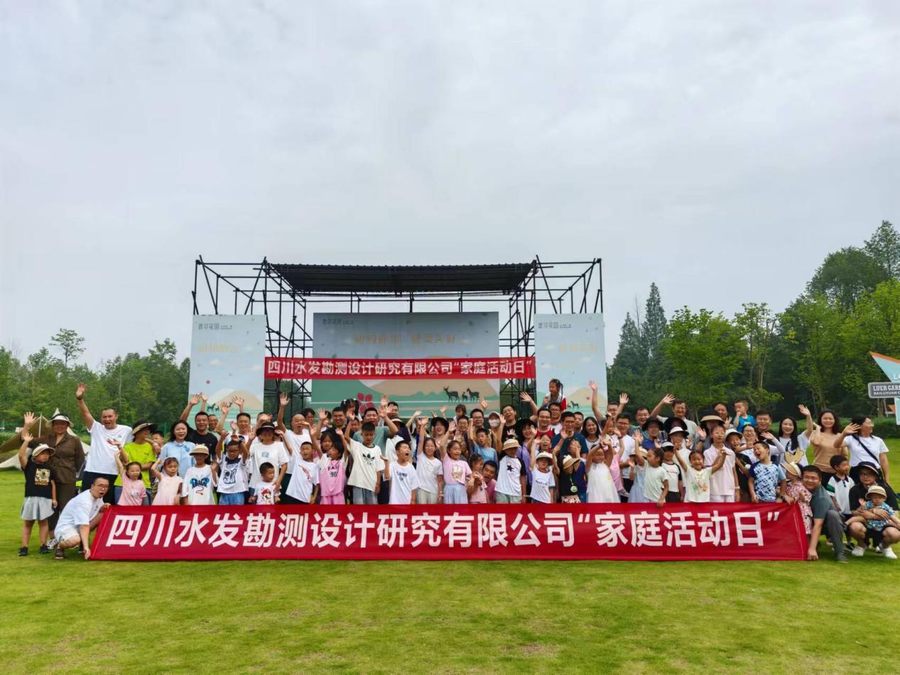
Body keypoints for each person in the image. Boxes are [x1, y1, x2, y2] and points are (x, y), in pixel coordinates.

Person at [22, 410, 83, 537]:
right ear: (53, 425)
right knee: (50, 509)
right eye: (57, 423)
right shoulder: (46, 438)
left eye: (63, 423)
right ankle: (52, 537)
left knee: (66, 508)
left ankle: (68, 535)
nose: (60, 426)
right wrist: (27, 425)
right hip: (46, 479)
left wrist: (76, 476)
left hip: (67, 479)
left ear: (67, 425)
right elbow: (25, 440)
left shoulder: (74, 440)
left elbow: (80, 461)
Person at [74, 383, 132, 504]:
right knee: (86, 502)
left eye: (110, 416)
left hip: (113, 472)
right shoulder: (96, 428)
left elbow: (132, 446)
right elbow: (86, 413)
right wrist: (80, 399)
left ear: (116, 416)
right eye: (104, 417)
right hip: (92, 470)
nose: (107, 419)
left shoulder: (127, 430)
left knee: (107, 505)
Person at [53, 475, 110, 561]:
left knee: (104, 512)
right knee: (74, 540)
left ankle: (96, 544)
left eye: (106, 486)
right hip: (66, 528)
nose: (103, 489)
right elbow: (84, 526)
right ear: (92, 486)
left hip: (80, 526)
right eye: (100, 485)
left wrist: (102, 508)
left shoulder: (98, 497)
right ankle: (59, 546)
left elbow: (95, 514)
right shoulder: (84, 501)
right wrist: (86, 548)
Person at [18, 434, 57, 556]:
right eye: (42, 453)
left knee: (43, 522)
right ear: (35, 454)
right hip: (31, 498)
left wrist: (54, 499)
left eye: (47, 454)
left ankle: (43, 545)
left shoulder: (50, 468)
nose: (45, 456)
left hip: (45, 499)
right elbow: (21, 455)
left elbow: (52, 484)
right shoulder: (29, 465)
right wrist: (26, 442)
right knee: (28, 523)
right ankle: (24, 547)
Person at [802, 465, 848, 562]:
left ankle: (840, 551)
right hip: (807, 521)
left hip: (826, 524)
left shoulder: (821, 498)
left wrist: (812, 549)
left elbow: (818, 524)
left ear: (820, 480)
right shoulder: (799, 489)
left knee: (832, 515)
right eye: (806, 477)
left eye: (813, 478)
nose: (809, 480)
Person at [846, 485, 899, 559]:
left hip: (881, 525)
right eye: (874, 497)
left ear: (884, 499)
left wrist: (897, 522)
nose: (877, 500)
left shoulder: (886, 507)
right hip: (867, 523)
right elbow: (859, 512)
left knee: (895, 531)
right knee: (858, 520)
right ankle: (860, 544)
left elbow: (892, 516)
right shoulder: (868, 504)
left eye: (880, 498)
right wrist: (863, 506)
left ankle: (885, 546)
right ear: (870, 498)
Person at [342, 416, 386, 505]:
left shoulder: (377, 449)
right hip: (358, 483)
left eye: (371, 435)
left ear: (374, 434)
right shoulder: (356, 446)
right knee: (359, 508)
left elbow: (378, 468)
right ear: (361, 434)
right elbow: (346, 437)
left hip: (372, 484)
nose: (369, 437)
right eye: (366, 435)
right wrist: (350, 421)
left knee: (372, 508)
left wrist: (378, 484)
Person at [835, 416, 890, 483]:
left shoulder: (878, 440)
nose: (872, 425)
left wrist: (886, 478)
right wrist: (844, 434)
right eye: (869, 423)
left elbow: (883, 460)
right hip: (857, 473)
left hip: (874, 472)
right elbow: (836, 445)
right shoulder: (850, 439)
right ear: (859, 426)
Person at [802, 406, 845, 484]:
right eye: (825, 418)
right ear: (820, 420)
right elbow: (817, 442)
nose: (828, 420)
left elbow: (844, 455)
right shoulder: (815, 433)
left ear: (835, 420)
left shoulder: (840, 436)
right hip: (820, 471)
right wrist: (818, 428)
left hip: (836, 471)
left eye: (830, 419)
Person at [115, 421, 155, 502]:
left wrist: (132, 468)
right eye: (144, 429)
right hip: (123, 484)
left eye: (148, 429)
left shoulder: (151, 447)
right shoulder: (127, 447)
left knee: (144, 509)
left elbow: (149, 465)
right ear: (136, 432)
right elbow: (125, 462)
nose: (147, 431)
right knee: (122, 509)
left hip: (144, 483)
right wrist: (137, 467)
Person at [705, 428, 739, 503]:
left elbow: (733, 471)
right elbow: (708, 471)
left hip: (730, 489)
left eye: (722, 433)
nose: (719, 435)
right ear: (711, 435)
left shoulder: (731, 452)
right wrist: (718, 457)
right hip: (715, 489)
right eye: (717, 433)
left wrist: (737, 488)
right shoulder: (707, 452)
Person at [215, 434, 250, 505]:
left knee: (237, 512)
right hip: (224, 491)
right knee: (223, 512)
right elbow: (217, 450)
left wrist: (240, 442)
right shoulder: (224, 460)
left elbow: (246, 453)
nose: (232, 453)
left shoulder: (241, 460)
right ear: (227, 450)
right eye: (230, 451)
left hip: (238, 492)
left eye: (235, 451)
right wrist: (221, 439)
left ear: (239, 451)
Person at [317, 431, 348, 505]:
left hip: (338, 494)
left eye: (334, 450)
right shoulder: (325, 461)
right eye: (331, 449)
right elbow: (317, 448)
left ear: (339, 454)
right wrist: (312, 436)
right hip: (325, 495)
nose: (330, 450)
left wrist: (341, 436)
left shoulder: (342, 463)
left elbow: (346, 450)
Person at [585, 436, 618, 503]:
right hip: (595, 493)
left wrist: (609, 445)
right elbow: (590, 454)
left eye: (602, 455)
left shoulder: (605, 465)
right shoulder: (589, 466)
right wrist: (599, 446)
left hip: (608, 492)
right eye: (597, 455)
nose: (600, 457)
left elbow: (611, 455)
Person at [385, 441, 419, 505]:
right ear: (397, 452)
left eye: (408, 448)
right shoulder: (392, 465)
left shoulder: (411, 468)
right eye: (405, 447)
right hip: (394, 503)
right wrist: (386, 463)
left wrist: (413, 500)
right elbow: (387, 477)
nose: (407, 450)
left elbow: (414, 486)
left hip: (407, 503)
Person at [495, 438, 527, 504]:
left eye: (514, 448)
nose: (512, 450)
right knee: (501, 511)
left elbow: (523, 478)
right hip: (502, 491)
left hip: (516, 493)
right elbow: (498, 441)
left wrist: (524, 495)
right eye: (510, 448)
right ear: (505, 450)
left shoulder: (520, 461)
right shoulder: (501, 458)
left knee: (515, 511)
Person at [442, 440, 471, 504]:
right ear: (449, 450)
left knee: (461, 509)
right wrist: (448, 434)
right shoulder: (446, 460)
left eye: (459, 449)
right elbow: (441, 445)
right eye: (455, 449)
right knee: (449, 509)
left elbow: (470, 476)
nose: (457, 451)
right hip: (449, 489)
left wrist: (471, 480)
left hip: (461, 489)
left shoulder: (464, 463)